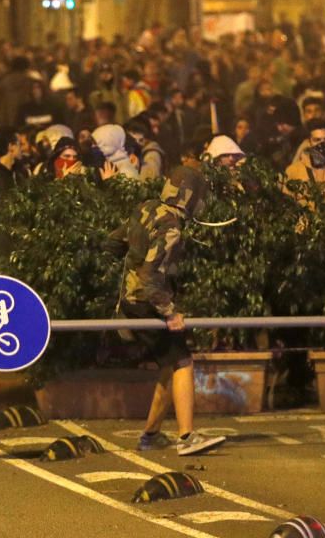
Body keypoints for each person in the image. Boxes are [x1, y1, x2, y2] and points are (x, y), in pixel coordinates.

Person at [103, 166, 226, 456]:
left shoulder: (145, 208)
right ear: (191, 197)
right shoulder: (171, 226)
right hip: (148, 304)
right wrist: (170, 312)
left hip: (132, 301)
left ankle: (151, 435)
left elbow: (112, 243)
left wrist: (129, 269)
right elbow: (151, 274)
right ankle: (187, 437)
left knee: (169, 365)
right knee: (183, 362)